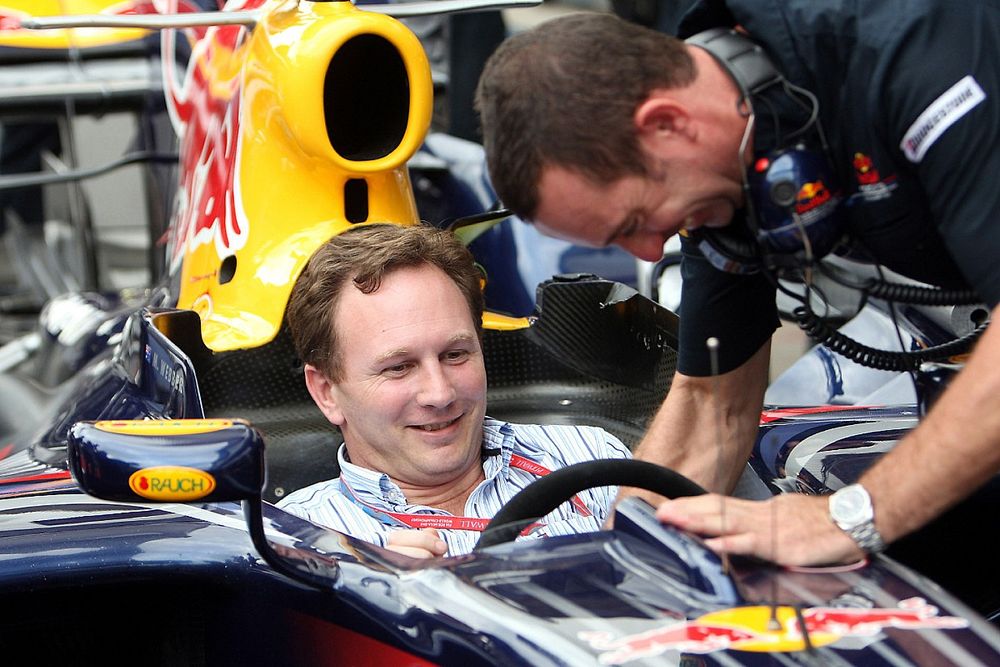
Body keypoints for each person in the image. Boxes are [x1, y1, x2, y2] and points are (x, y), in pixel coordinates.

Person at [474, 3, 1000, 583]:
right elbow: (711, 409)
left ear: (667, 123)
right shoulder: (717, 165)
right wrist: (620, 573)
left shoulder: (913, 52)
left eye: (633, 221)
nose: (651, 251)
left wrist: (847, 518)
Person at [277, 223, 630, 558]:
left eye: (455, 355)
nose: (440, 393)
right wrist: (365, 595)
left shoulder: (591, 458)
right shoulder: (295, 540)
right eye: (399, 367)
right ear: (326, 391)